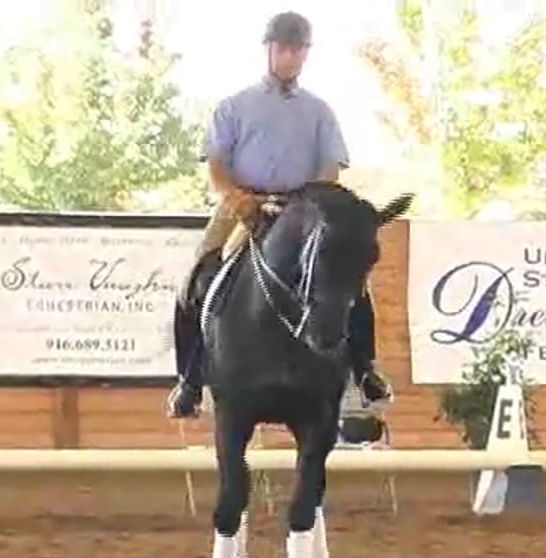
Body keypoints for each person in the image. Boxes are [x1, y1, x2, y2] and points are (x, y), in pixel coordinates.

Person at [165, 10, 390, 419]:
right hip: (244, 202)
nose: (289, 57)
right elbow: (216, 164)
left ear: (305, 54)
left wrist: (312, 201)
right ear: (269, 49)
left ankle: (365, 372)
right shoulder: (234, 106)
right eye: (283, 49)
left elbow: (331, 168)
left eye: (297, 50)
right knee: (198, 275)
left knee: (347, 279)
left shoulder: (320, 111)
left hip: (302, 207)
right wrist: (236, 197)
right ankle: (190, 378)